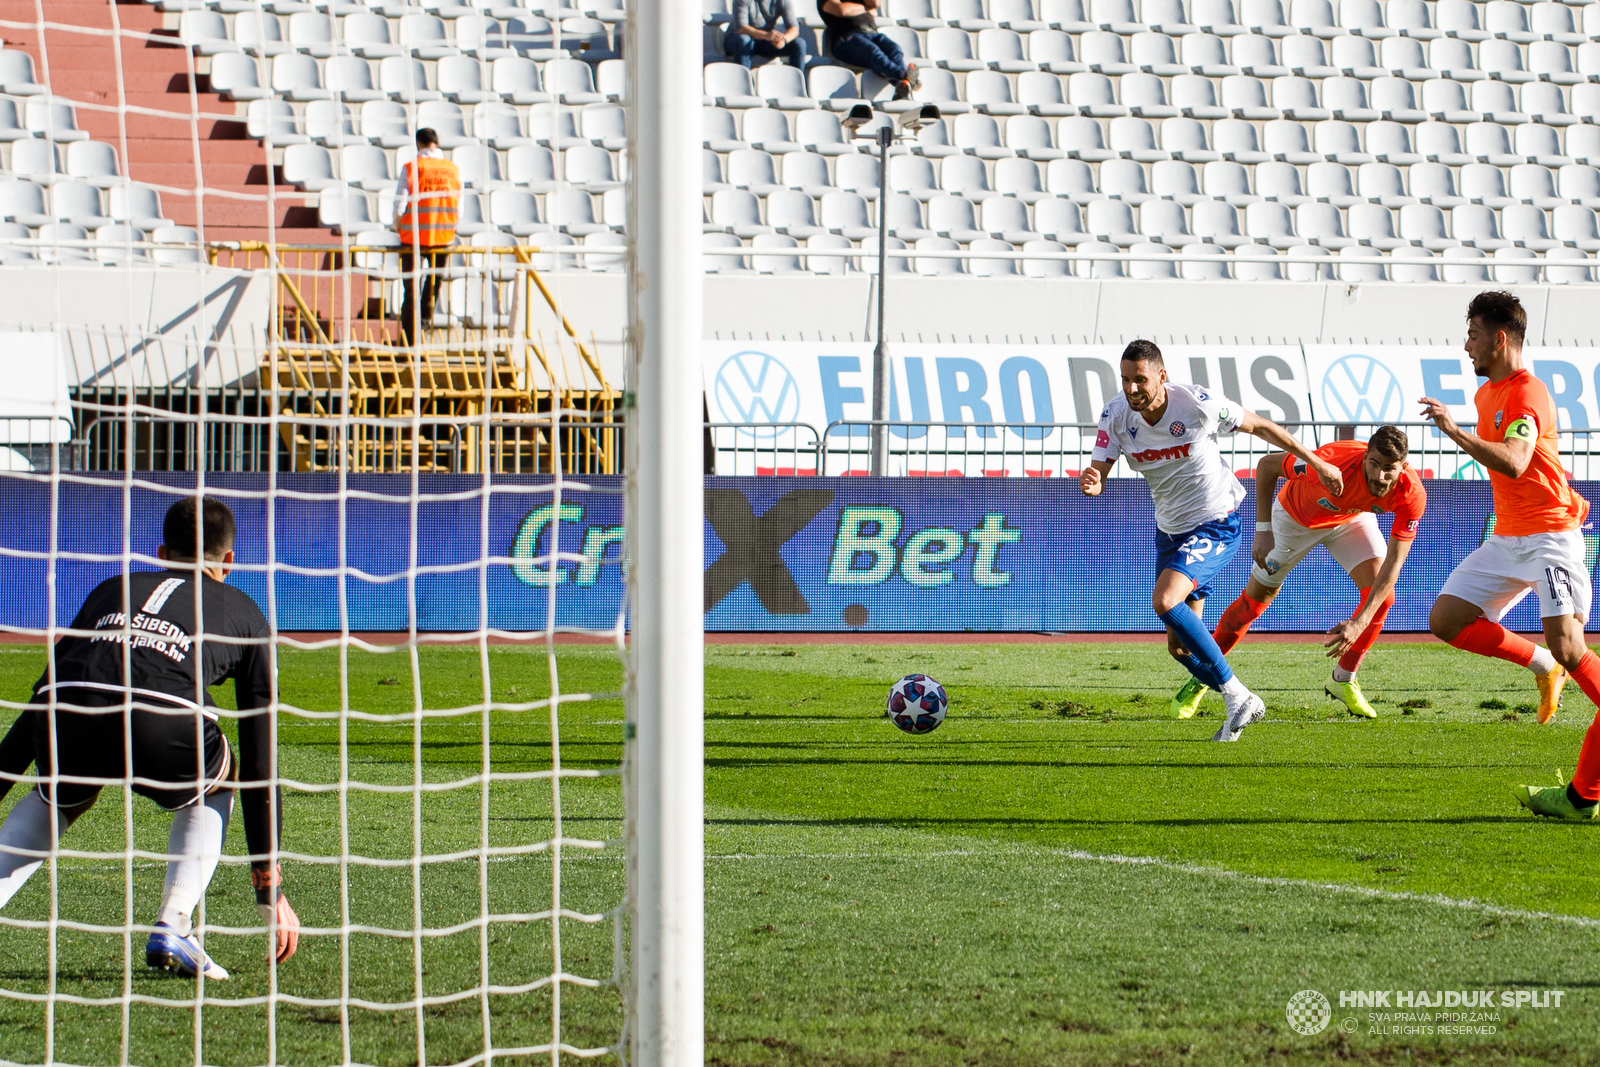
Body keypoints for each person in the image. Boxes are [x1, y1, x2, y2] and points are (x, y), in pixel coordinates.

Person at [0, 497, 299, 978]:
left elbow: (46, 694)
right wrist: (268, 884)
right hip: (165, 726)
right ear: (229, 561)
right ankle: (174, 923)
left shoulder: (111, 588)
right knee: (223, 773)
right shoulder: (246, 612)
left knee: (60, 791)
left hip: (66, 716)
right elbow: (261, 757)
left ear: (161, 553)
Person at [1082, 340, 1344, 742]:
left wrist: (1317, 461)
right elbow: (1100, 467)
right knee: (1180, 649)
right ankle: (1237, 707)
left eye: (1140, 380)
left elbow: (1264, 427)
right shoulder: (1115, 415)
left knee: (1165, 600)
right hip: (1169, 532)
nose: (1132, 388)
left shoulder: (1197, 403)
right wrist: (1095, 480)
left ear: (1161, 376)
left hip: (1216, 522)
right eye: (1125, 380)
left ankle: (1238, 696)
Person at [1419, 292, 1599, 819]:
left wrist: (1454, 433)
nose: (1466, 343)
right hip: (1506, 538)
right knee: (1446, 619)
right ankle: (1542, 666)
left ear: (1500, 338)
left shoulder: (1528, 393)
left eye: (1473, 332)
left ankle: (1557, 668)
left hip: (1548, 537)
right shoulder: (1486, 396)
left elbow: (1519, 462)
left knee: (1569, 645)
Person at [1170, 426, 1428, 720]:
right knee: (1252, 606)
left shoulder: (1412, 494)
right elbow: (1267, 466)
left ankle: (1343, 678)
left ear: (1404, 466)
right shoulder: (1333, 462)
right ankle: (1203, 677)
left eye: (1390, 469)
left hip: (1351, 520)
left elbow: (1393, 565)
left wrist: (1359, 622)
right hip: (1293, 520)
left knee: (1382, 597)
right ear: (1364, 457)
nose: (1380, 476)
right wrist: (1263, 529)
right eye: (1374, 464)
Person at [392, 127, 461, 346]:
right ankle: (424, 322)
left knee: (411, 288)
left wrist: (397, 226)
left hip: (412, 238)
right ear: (437, 143)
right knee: (433, 285)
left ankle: (409, 338)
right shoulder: (453, 170)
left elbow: (400, 204)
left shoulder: (412, 167)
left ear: (418, 144)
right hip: (443, 236)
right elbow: (460, 207)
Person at [817, 0, 920, 100]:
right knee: (873, 52)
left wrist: (856, 8)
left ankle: (902, 83)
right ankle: (904, 75)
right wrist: (866, 8)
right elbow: (841, 10)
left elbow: (875, 3)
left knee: (894, 49)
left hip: (872, 34)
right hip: (846, 38)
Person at [726, 0, 810, 68]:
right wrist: (766, 35)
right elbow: (742, 28)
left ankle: (795, 83)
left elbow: (794, 28)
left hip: (764, 41)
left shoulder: (782, 1)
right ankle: (743, 81)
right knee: (744, 40)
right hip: (736, 39)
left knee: (799, 44)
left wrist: (783, 40)